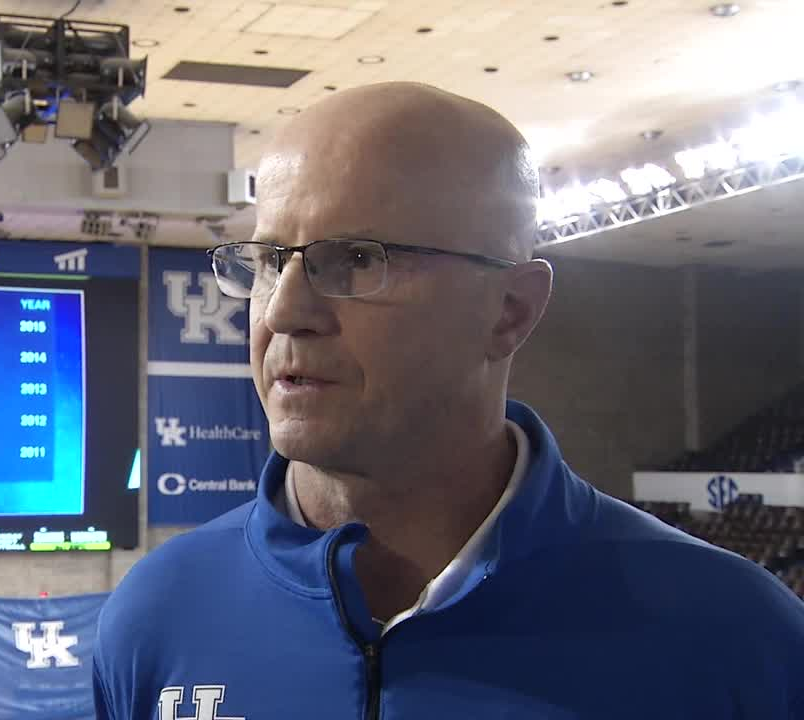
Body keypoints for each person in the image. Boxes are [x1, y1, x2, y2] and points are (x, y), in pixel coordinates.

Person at [93, 82, 804, 719]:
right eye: (269, 261)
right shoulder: (159, 614)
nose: (283, 311)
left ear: (510, 311)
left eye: (355, 259)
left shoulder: (731, 637)